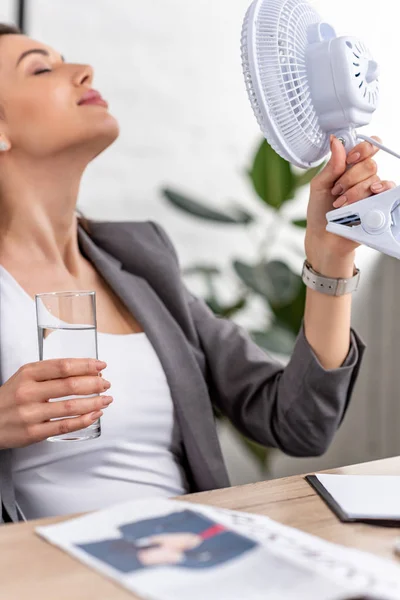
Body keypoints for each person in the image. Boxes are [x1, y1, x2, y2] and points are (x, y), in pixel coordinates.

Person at [0, 24, 391, 523]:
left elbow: (296, 424)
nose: (83, 71)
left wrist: (331, 260)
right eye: (41, 67)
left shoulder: (141, 257)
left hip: (190, 553)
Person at [77, 509, 258, 572]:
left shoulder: (243, 544)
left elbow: (215, 561)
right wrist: (152, 537)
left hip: (150, 556)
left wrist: (175, 557)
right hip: (125, 536)